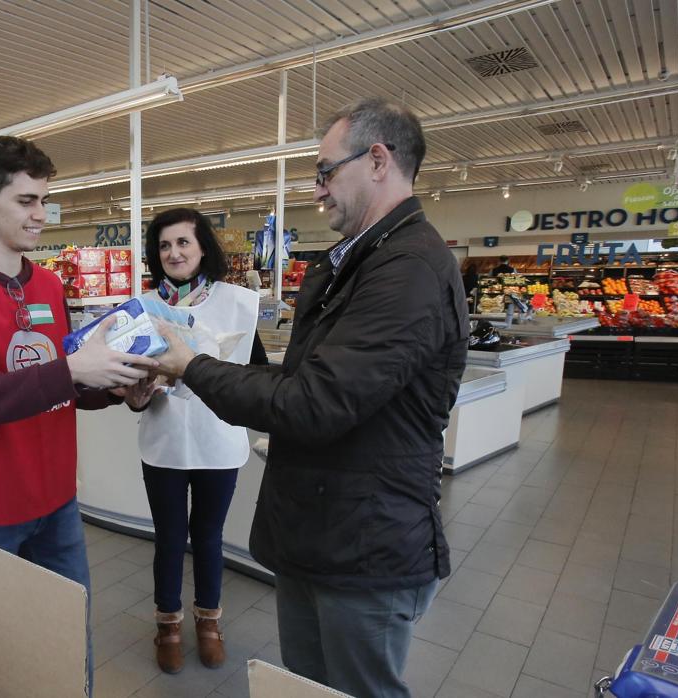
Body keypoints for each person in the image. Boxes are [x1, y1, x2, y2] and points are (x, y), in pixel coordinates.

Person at [150, 97, 468, 698]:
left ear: (378, 160)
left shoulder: (408, 271)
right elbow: (302, 384)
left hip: (365, 547)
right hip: (322, 531)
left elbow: (315, 402)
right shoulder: (353, 263)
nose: (317, 189)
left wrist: (193, 366)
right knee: (305, 686)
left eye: (325, 171)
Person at [0, 135, 157, 696]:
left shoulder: (47, 284)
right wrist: (72, 372)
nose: (41, 215)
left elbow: (61, 384)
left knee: (68, 639)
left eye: (45, 200)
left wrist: (120, 388)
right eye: (26, 201)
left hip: (56, 503)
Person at [116, 208, 267, 675]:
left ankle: (209, 623)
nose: (174, 253)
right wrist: (136, 397)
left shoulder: (236, 303)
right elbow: (129, 391)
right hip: (163, 442)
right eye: (164, 245)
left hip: (218, 441)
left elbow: (256, 375)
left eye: (183, 242)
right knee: (168, 538)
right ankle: (168, 625)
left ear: (203, 247)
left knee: (207, 536)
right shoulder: (140, 310)